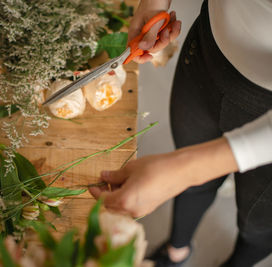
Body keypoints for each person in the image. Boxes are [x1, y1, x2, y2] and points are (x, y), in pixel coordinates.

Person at [89, 0, 272, 266]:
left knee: (259, 226)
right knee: (193, 187)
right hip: (207, 53)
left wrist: (182, 169)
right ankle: (177, 250)